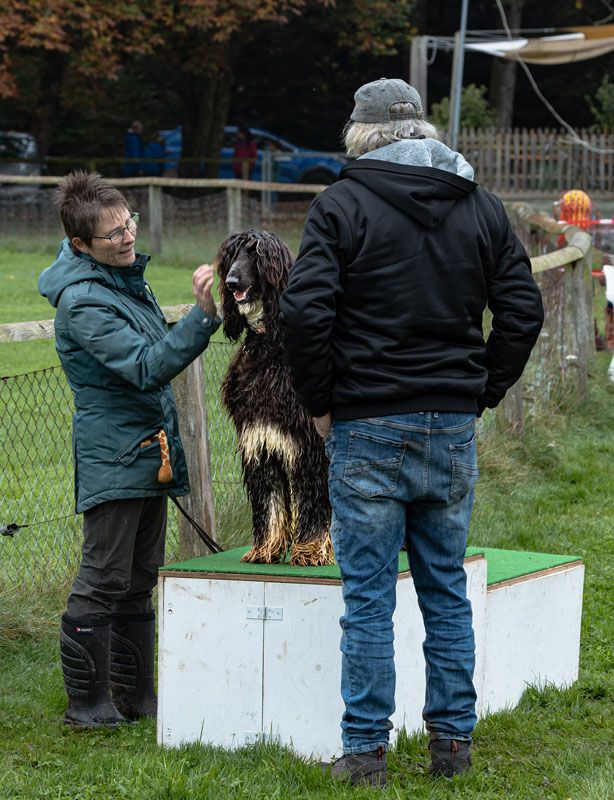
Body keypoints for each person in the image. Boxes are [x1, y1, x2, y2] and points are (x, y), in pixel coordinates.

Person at [279, 78, 544, 786]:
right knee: (445, 590)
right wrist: (481, 390)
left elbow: (303, 313)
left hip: (366, 420)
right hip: (449, 421)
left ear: (360, 134)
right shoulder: (479, 205)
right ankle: (452, 746)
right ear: (422, 129)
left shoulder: (341, 205)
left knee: (368, 598)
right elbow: (522, 308)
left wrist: (320, 401)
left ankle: (366, 752)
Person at [38, 171, 221, 728]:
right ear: (80, 244)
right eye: (113, 233)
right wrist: (202, 316)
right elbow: (145, 367)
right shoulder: (83, 302)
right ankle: (87, 706)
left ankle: (136, 696)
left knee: (140, 580)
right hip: (113, 455)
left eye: (129, 223)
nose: (127, 237)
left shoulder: (121, 281)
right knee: (102, 579)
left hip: (148, 450)